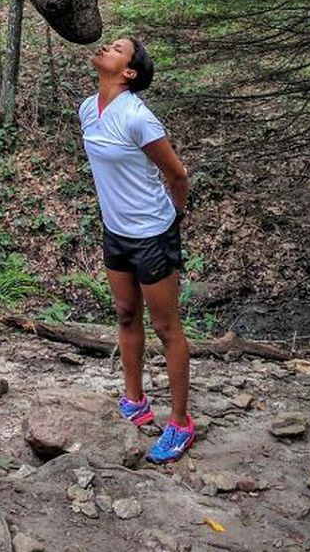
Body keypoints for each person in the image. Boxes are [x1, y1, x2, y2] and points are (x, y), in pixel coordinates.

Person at [77, 36, 193, 464]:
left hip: (152, 234)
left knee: (166, 327)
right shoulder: (88, 109)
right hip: (115, 231)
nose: (107, 47)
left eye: (118, 49)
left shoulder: (138, 118)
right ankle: (135, 400)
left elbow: (176, 175)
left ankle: (180, 423)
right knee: (126, 313)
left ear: (128, 72)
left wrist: (173, 219)